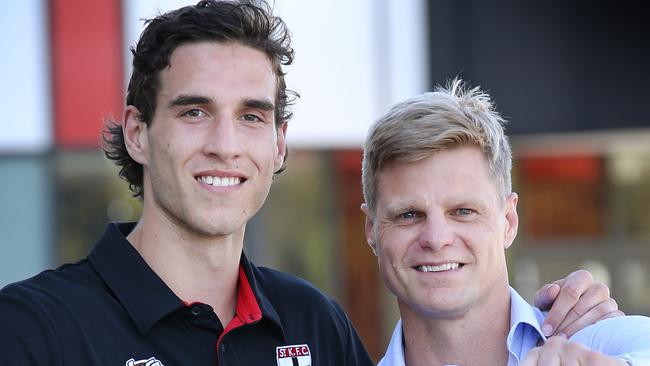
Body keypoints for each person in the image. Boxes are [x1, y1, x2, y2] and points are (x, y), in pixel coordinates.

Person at [0, 1, 624, 365]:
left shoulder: (314, 327)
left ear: (278, 144)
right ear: (138, 133)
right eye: (194, 112)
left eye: (252, 115)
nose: (225, 142)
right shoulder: (31, 330)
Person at [360, 79, 650, 365]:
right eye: (408, 215)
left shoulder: (597, 343)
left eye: (463, 211)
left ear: (509, 221)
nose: (436, 238)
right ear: (371, 230)